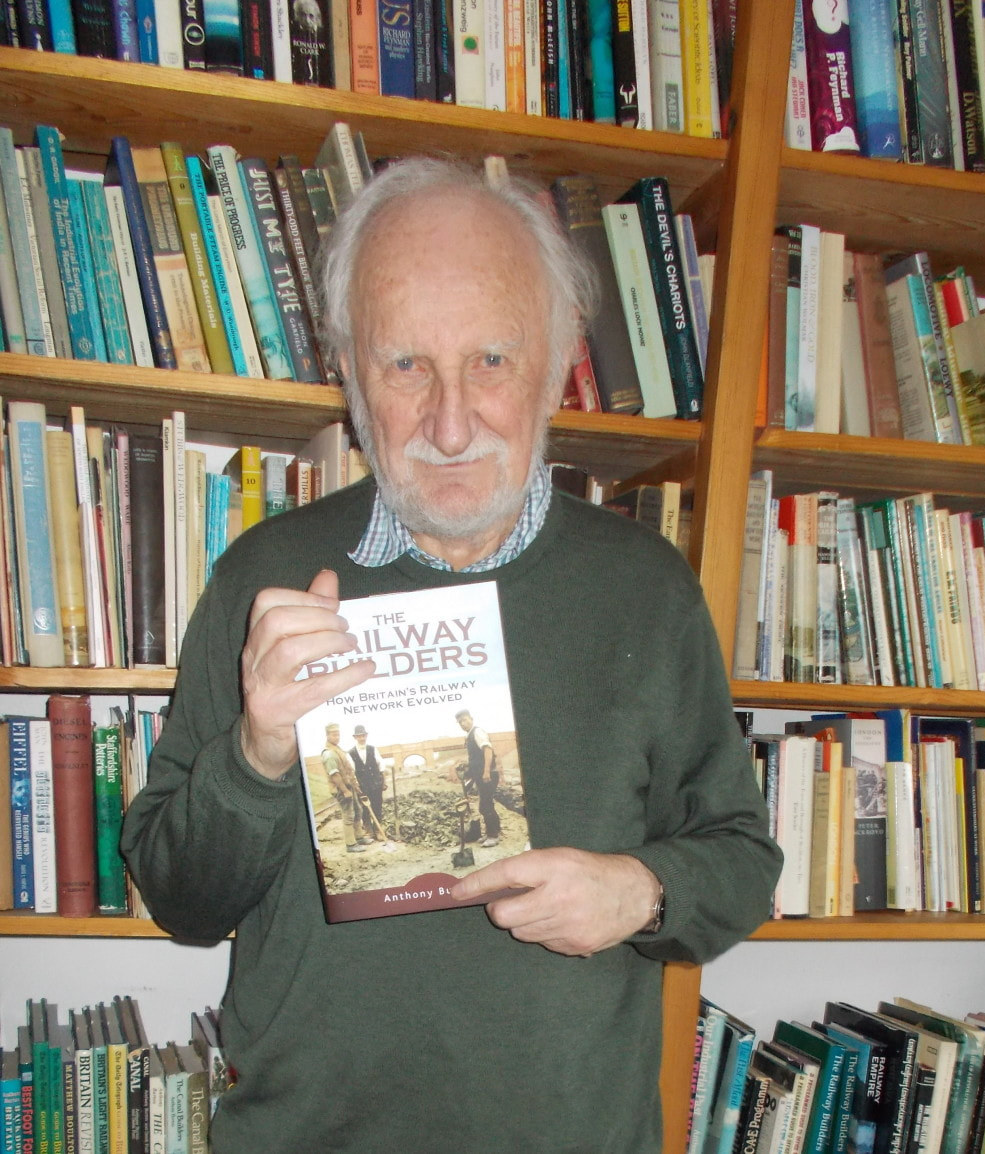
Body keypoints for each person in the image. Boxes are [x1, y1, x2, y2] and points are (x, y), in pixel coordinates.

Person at [121, 156, 782, 1154]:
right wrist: (255, 755)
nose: (451, 421)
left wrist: (640, 891)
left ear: (558, 360)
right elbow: (181, 901)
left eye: (491, 360)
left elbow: (741, 863)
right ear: (350, 370)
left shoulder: (646, 589)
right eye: (406, 364)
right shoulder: (265, 578)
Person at [320, 722, 369, 852]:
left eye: (338, 734)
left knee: (358, 811)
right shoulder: (329, 753)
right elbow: (334, 774)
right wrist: (345, 790)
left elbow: (348, 771)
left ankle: (359, 837)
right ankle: (351, 844)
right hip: (341, 789)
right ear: (327, 735)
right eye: (334, 735)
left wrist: (355, 786)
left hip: (349, 787)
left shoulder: (338, 750)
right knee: (348, 815)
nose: (337, 737)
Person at [456, 708, 501, 846]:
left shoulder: (477, 732)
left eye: (464, 720)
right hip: (481, 775)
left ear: (471, 719)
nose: (462, 723)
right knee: (487, 804)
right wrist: (466, 765)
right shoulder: (470, 735)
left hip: (487, 774)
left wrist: (486, 771)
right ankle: (494, 831)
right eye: (460, 722)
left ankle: (493, 836)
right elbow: (477, 758)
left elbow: (488, 750)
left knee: (485, 806)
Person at [347, 724, 384, 834]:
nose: (362, 738)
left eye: (363, 736)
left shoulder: (373, 749)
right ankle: (369, 831)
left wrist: (383, 782)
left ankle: (378, 830)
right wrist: (356, 786)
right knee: (364, 809)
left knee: (377, 806)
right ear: (355, 737)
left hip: (376, 784)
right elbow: (351, 771)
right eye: (359, 736)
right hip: (362, 786)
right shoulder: (350, 753)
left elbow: (381, 766)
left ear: (366, 736)